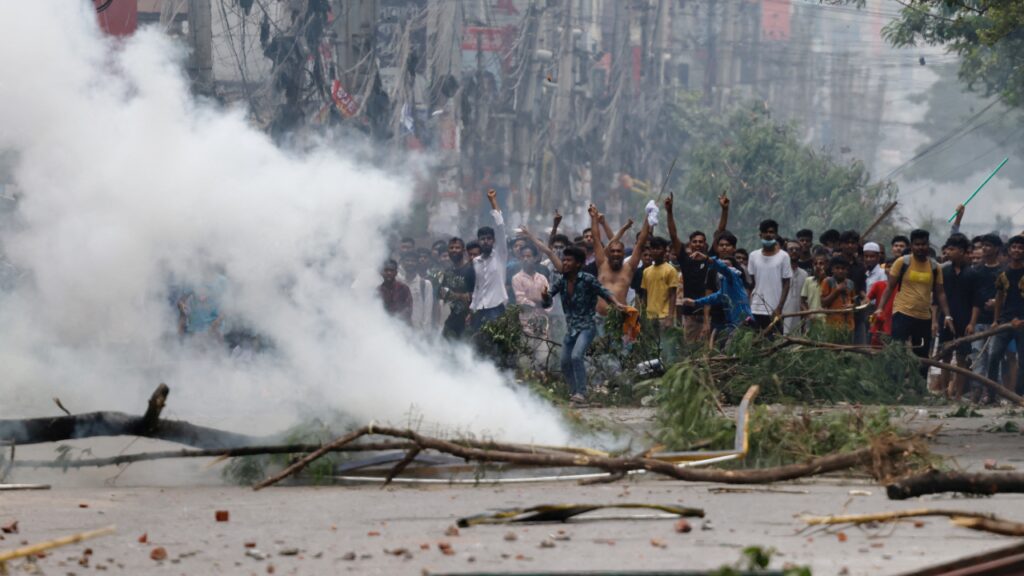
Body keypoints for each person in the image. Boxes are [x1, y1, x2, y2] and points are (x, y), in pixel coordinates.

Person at [541, 246, 627, 405]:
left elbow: (604, 292)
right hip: (571, 328)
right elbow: (547, 302)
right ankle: (575, 394)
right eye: (564, 260)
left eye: (569, 260)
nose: (565, 263)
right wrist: (544, 296)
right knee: (564, 362)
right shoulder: (562, 281)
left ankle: (582, 393)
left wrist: (616, 303)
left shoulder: (587, 279)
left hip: (587, 326)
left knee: (576, 356)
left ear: (578, 264)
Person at [877, 229, 955, 369]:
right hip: (902, 314)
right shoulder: (902, 262)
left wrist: (948, 316)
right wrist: (880, 308)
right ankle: (893, 387)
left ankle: (919, 388)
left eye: (923, 244)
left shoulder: (934, 267)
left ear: (928, 245)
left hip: (924, 317)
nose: (920, 248)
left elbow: (940, 293)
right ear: (912, 246)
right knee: (897, 353)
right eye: (917, 244)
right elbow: (889, 287)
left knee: (922, 357)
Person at [589, 204, 650, 317]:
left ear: (624, 253)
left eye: (618, 251)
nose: (615, 254)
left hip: (621, 319)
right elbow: (596, 239)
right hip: (599, 319)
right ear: (608, 253)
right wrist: (593, 218)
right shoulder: (602, 264)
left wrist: (648, 216)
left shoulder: (629, 267)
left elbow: (641, 242)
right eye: (613, 251)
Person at [967, 233, 1005, 401]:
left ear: (997, 248)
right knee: (978, 356)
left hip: (997, 322)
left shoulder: (1004, 271)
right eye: (983, 246)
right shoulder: (976, 271)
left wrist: (997, 303)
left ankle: (992, 393)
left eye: (988, 246)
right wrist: (972, 322)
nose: (985, 249)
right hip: (979, 320)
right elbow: (974, 297)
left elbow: (1008, 295)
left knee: (993, 357)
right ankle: (976, 392)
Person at [937, 234, 974, 399]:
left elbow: (976, 302)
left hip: (965, 321)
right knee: (945, 356)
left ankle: (958, 395)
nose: (948, 252)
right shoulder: (943, 271)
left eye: (952, 249)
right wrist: (935, 321)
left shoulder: (972, 274)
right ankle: (945, 394)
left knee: (962, 359)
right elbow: (936, 298)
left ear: (961, 251)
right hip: (945, 319)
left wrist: (972, 323)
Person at [987, 235, 1024, 395]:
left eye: (1020, 247)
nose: (1017, 250)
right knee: (994, 356)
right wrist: (996, 320)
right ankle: (991, 394)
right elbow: (999, 297)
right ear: (1009, 250)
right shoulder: (1003, 273)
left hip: (1022, 323)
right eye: (1014, 247)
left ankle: (1019, 395)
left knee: (1022, 360)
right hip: (1005, 321)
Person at [681, 255, 752, 339]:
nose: (723, 266)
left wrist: (708, 259)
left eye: (727, 264)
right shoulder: (724, 285)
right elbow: (713, 297)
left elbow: (724, 269)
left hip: (742, 321)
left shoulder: (734, 278)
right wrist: (695, 302)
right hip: (733, 323)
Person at [469, 189, 509, 332]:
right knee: (478, 345)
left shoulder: (500, 255)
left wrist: (493, 202)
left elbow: (500, 228)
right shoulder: (476, 261)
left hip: (496, 307)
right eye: (482, 239)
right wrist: (472, 308)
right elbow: (477, 287)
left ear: (493, 241)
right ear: (478, 241)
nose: (485, 242)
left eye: (488, 239)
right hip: (480, 308)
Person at [747, 219, 792, 333]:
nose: (768, 235)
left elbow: (786, 283)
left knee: (775, 344)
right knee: (755, 344)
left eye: (771, 232)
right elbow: (752, 283)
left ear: (776, 234)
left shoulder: (784, 256)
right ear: (760, 234)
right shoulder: (753, 256)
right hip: (756, 308)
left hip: (774, 309)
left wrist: (779, 307)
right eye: (765, 232)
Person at [439, 237, 475, 339]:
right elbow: (443, 293)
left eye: (457, 247)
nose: (454, 250)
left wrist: (457, 295)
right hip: (453, 318)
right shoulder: (448, 271)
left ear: (463, 251)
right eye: (451, 247)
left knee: (466, 352)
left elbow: (478, 294)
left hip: (469, 320)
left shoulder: (471, 270)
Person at [640, 236, 679, 327]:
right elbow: (644, 294)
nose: (655, 251)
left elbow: (673, 295)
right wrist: (643, 315)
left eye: (658, 248)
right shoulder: (646, 271)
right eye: (653, 248)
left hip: (664, 316)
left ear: (665, 251)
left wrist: (670, 317)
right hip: (650, 316)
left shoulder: (670, 270)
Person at [511, 244, 549, 337]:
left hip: (542, 322)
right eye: (523, 256)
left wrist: (543, 304)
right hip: (525, 322)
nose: (525, 259)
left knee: (543, 349)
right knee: (526, 349)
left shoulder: (542, 278)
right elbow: (521, 300)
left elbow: (548, 299)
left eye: (528, 256)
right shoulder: (517, 278)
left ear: (535, 258)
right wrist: (538, 303)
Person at [820, 255, 857, 338]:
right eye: (837, 268)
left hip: (849, 325)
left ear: (847, 270)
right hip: (833, 324)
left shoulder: (850, 283)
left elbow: (854, 301)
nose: (840, 271)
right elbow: (823, 303)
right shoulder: (828, 281)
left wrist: (852, 305)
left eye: (843, 268)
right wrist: (837, 290)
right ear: (832, 269)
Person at [401, 252, 435, 331]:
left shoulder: (425, 284)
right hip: (401, 329)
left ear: (417, 263)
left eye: (413, 261)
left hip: (418, 330)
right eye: (407, 261)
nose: (410, 263)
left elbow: (428, 310)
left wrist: (426, 331)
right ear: (403, 263)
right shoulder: (399, 283)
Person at [783, 240, 809, 335]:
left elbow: (805, 299)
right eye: (791, 249)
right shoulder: (779, 271)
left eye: (797, 249)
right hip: (782, 314)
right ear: (785, 252)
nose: (794, 251)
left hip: (798, 315)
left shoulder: (804, 274)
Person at [378, 259, 412, 324]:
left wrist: (396, 319)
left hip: (401, 327)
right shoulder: (378, 291)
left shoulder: (404, 289)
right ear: (382, 273)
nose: (389, 273)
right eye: (386, 270)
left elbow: (408, 308)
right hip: (382, 326)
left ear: (396, 273)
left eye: (391, 270)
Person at [801, 252, 828, 331]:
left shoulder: (830, 281)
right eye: (815, 264)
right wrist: (808, 314)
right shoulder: (808, 280)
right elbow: (802, 301)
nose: (818, 266)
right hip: (811, 318)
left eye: (821, 263)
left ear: (826, 265)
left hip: (826, 319)